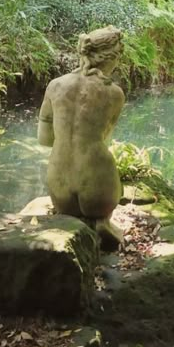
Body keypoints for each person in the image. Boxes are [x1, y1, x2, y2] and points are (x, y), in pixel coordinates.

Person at [38, 25, 125, 248]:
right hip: (99, 193)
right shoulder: (113, 93)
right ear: (111, 57)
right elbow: (104, 139)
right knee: (100, 161)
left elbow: (45, 139)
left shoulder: (55, 85)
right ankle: (102, 222)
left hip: (59, 188)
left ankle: (70, 217)